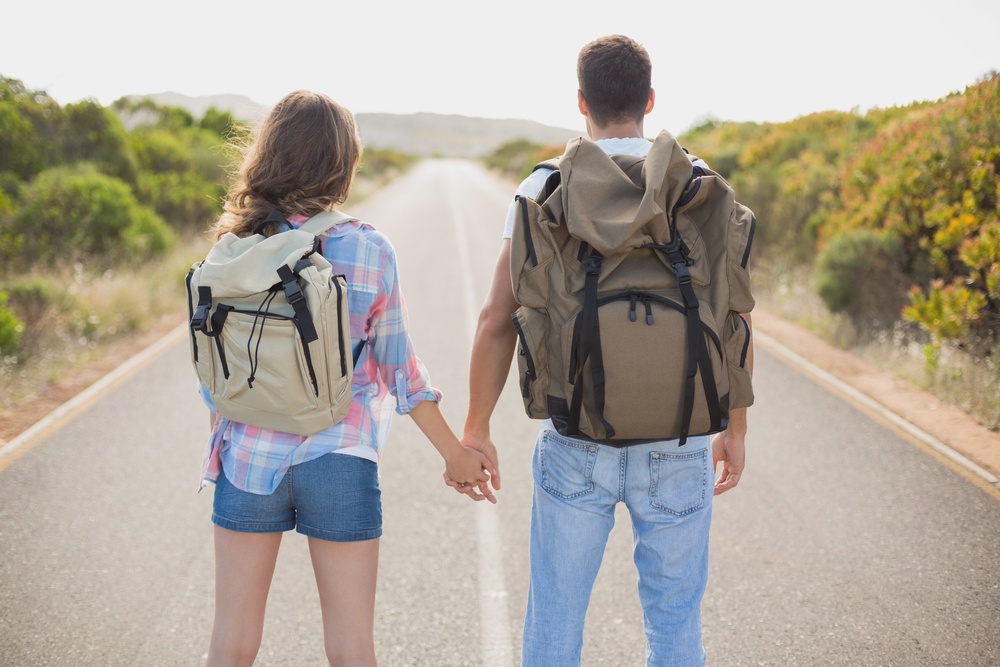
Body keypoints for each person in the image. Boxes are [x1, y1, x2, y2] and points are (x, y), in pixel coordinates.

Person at [457, 35, 753, 666]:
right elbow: (734, 318)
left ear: (581, 104)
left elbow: (496, 319)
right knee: (676, 627)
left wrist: (476, 427)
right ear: (649, 100)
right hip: (681, 440)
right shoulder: (698, 187)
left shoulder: (544, 187)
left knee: (556, 624)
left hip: (576, 441)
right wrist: (736, 426)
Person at [197, 90, 497, 667]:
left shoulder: (232, 248)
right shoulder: (365, 247)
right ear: (343, 163)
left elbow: (213, 374)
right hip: (340, 456)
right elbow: (401, 369)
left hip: (247, 457)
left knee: (231, 643)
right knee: (352, 647)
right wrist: (455, 453)